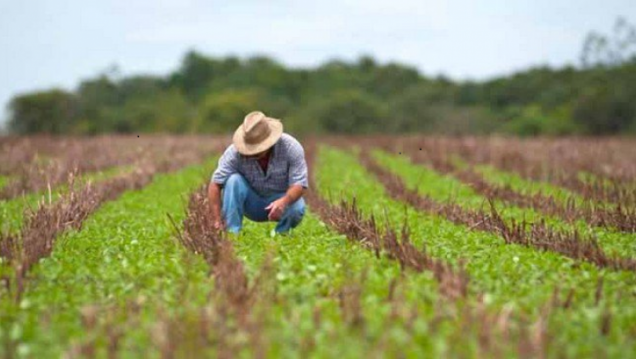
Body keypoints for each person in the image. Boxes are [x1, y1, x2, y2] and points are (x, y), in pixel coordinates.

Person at [208, 111, 308, 234]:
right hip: (252, 202)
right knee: (233, 180)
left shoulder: (291, 147)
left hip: (281, 200)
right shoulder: (234, 153)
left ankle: (281, 235)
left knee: (297, 207)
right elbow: (215, 184)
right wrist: (217, 220)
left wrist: (283, 202)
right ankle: (232, 233)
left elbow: (299, 184)